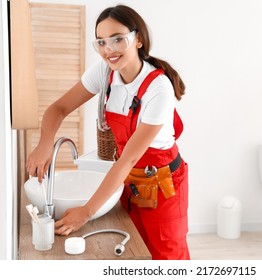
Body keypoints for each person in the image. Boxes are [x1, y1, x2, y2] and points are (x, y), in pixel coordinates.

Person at [26, 4, 190, 260]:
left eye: (118, 39)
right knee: (135, 253)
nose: (108, 50)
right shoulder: (104, 73)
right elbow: (58, 108)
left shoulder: (159, 89)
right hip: (128, 183)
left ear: (138, 39)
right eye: (101, 42)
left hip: (162, 187)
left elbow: (128, 159)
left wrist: (87, 211)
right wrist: (45, 143)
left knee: (166, 258)